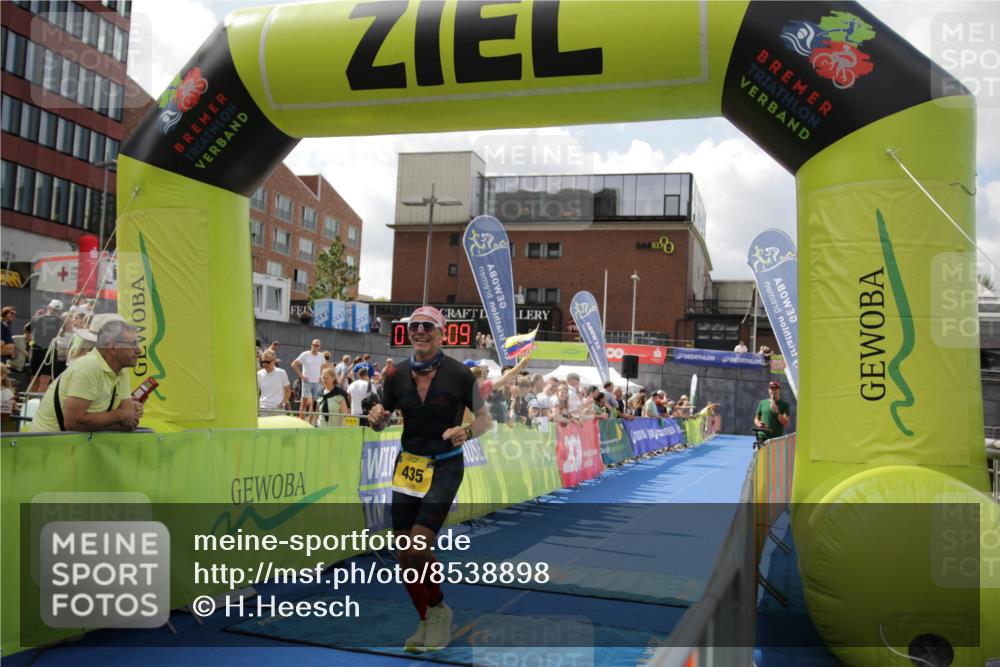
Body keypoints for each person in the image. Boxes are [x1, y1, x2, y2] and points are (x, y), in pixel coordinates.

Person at [367, 306, 490, 653]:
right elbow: (380, 417)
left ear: (441, 333)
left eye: (427, 326)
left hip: (445, 467)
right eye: (414, 326)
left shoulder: (460, 375)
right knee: (403, 553)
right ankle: (426, 618)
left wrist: (467, 431)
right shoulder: (395, 374)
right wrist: (376, 417)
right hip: (408, 466)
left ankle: (438, 610)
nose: (419, 331)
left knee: (418, 545)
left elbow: (485, 419)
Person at [29, 319, 144, 432]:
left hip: (73, 442)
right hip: (49, 442)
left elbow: (129, 419)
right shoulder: (89, 366)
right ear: (112, 347)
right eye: (133, 344)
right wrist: (119, 416)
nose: (139, 351)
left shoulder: (121, 370)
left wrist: (122, 417)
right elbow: (73, 423)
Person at [29, 300, 65, 392]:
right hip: (49, 351)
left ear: (49, 307)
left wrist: (32, 341)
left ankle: (31, 400)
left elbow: (27, 329)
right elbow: (62, 334)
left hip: (38, 350)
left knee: (35, 380)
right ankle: (38, 400)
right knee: (43, 381)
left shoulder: (38, 318)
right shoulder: (61, 322)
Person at [292, 339, 325, 424]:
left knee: (315, 404)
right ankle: (301, 424)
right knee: (303, 403)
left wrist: (321, 376)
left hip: (317, 382)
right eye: (313, 345)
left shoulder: (321, 356)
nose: (314, 347)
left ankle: (310, 423)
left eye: (317, 345)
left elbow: (322, 367)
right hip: (307, 382)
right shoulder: (305, 354)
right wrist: (302, 376)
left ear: (319, 347)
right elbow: (294, 364)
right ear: (311, 345)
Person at [754, 381, 790, 446]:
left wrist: (777, 412)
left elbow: (785, 423)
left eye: (775, 388)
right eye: (771, 388)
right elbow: (756, 418)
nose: (773, 391)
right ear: (768, 390)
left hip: (776, 440)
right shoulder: (762, 403)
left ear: (779, 390)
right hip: (762, 438)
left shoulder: (785, 405)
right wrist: (759, 424)